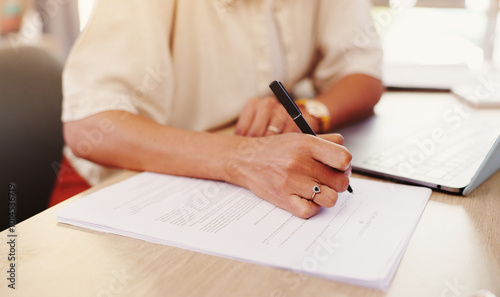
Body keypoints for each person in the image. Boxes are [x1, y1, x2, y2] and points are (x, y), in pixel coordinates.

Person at [55, 0, 384, 219]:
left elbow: (363, 72)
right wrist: (244, 157)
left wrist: (309, 111)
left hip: (231, 182)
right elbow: (89, 127)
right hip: (114, 188)